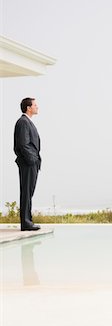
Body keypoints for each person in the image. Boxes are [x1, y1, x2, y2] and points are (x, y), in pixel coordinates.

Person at [14, 97, 41, 231]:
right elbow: (23, 144)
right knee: (26, 192)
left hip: (31, 163)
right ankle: (25, 222)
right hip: (28, 163)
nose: (37, 107)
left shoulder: (27, 122)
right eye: (35, 105)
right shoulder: (23, 122)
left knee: (28, 192)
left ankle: (28, 221)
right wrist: (32, 160)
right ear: (28, 108)